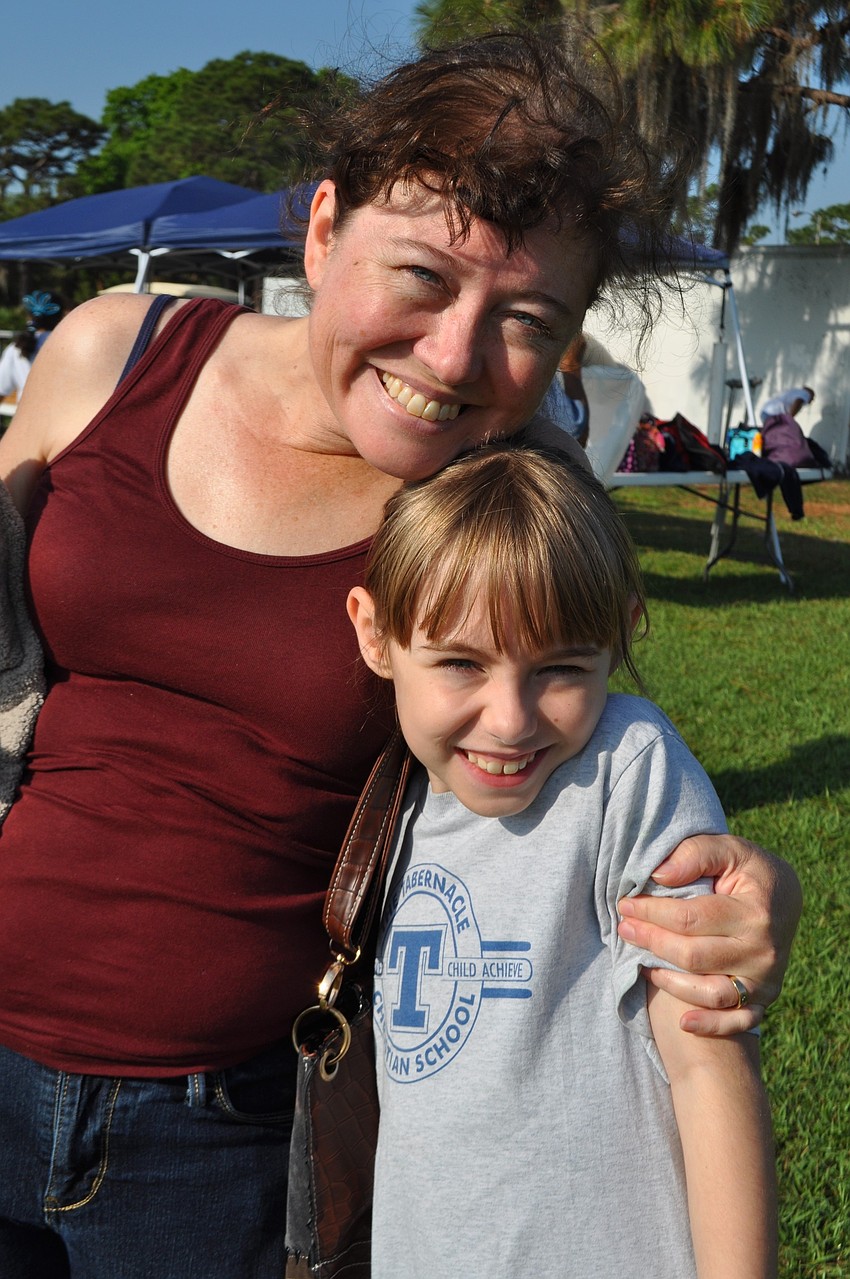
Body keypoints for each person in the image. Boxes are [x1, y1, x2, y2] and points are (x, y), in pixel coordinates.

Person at [0, 27, 798, 1278]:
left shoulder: (506, 504)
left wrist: (754, 896)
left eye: (525, 317)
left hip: (224, 1126)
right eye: (421, 276)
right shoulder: (118, 354)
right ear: (322, 230)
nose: (452, 356)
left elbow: (593, 783)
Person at [347, 439, 777, 1278]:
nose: (509, 720)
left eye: (560, 669)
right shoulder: (397, 796)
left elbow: (708, 1070)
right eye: (460, 662)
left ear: (621, 633)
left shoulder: (625, 767)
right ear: (375, 635)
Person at [0, 291, 65, 403]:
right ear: (62, 316)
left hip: (27, 417)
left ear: (29, 316)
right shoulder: (68, 343)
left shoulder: (16, 347)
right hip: (67, 416)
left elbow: (2, 389)